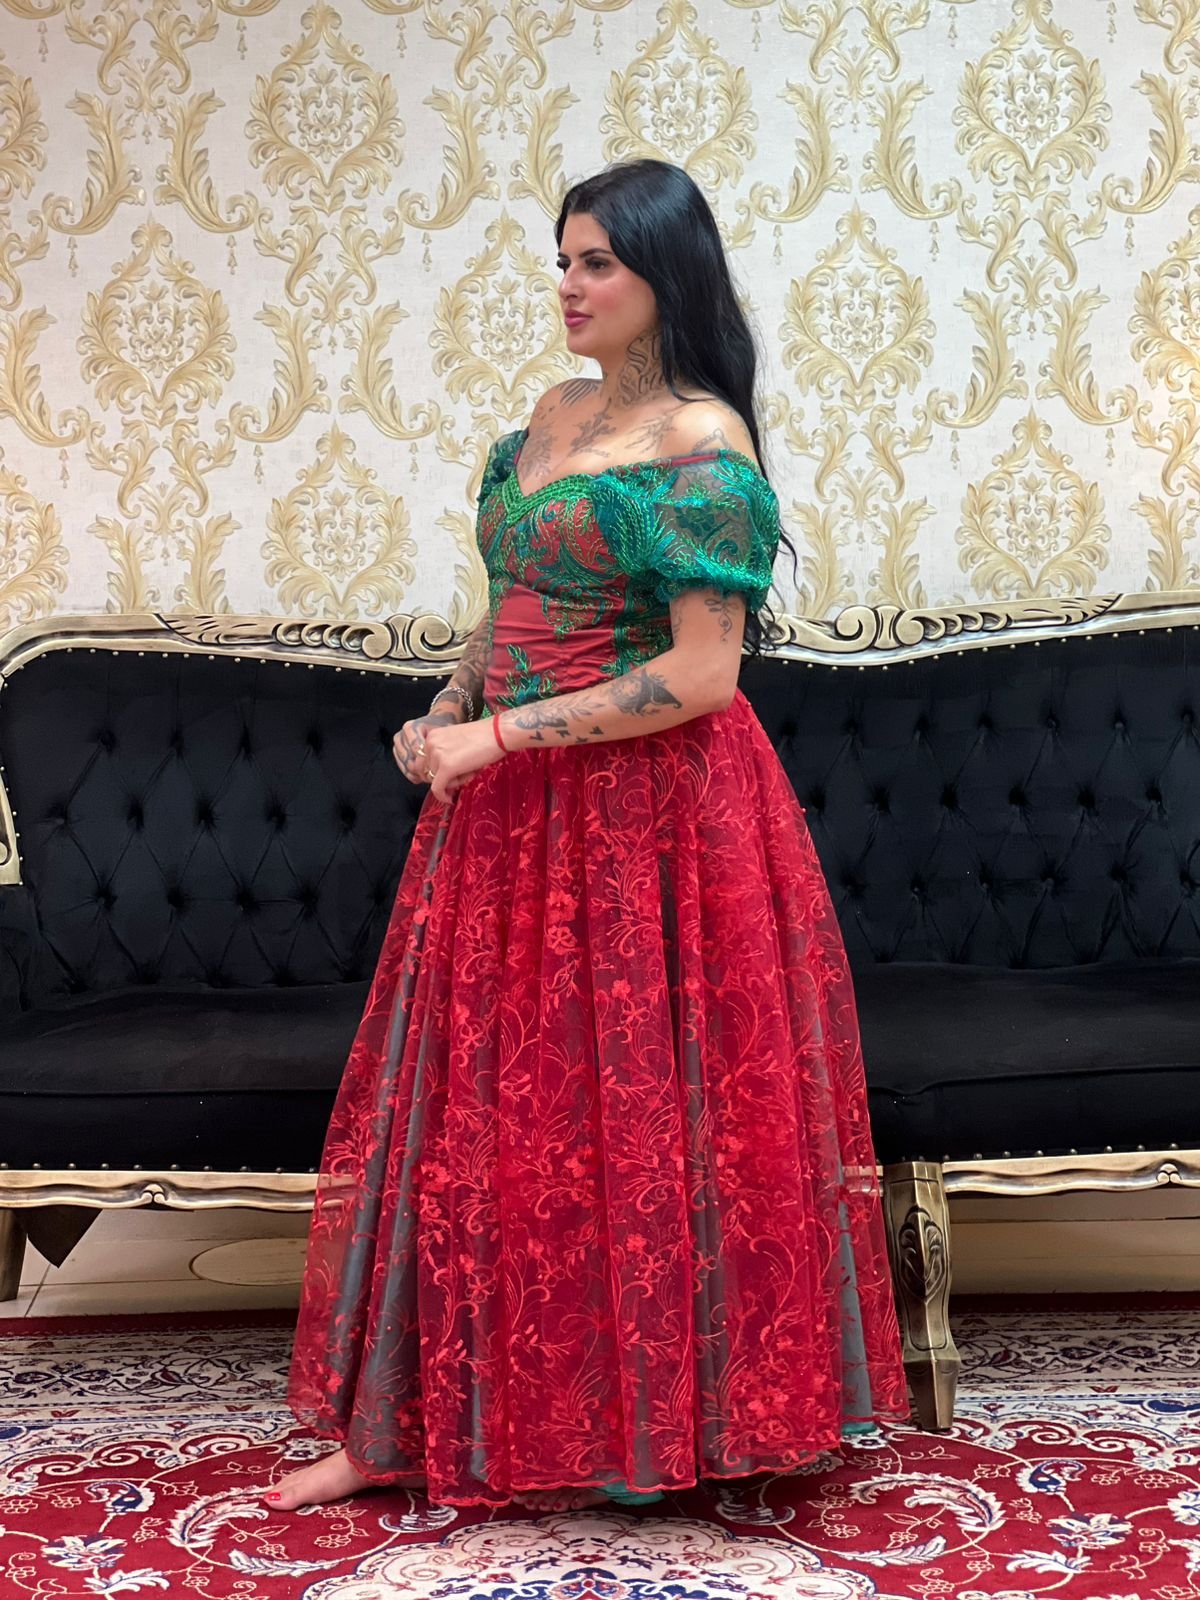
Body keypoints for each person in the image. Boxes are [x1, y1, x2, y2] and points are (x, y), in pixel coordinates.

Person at [267, 158, 908, 1515]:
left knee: (649, 1120)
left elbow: (704, 676)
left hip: (654, 823)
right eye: (561, 260)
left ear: (665, 274)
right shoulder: (551, 418)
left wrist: (496, 739)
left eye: (596, 262)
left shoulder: (702, 444)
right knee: (484, 1117)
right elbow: (509, 602)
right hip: (507, 820)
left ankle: (669, 1429)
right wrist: (448, 708)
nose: (568, 285)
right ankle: (404, 1428)